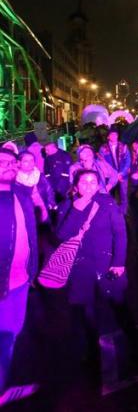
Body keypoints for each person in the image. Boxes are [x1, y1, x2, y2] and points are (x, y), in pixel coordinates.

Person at [55, 168, 138, 378]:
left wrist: (119, 262)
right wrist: (76, 209)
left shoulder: (108, 203)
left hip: (108, 265)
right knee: (87, 314)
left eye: (93, 182)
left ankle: (137, 343)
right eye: (84, 182)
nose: (89, 186)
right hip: (81, 269)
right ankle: (92, 352)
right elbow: (61, 235)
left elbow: (120, 233)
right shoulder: (68, 205)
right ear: (76, 186)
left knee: (120, 307)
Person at [0, 146, 39, 406]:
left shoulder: (21, 194)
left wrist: (32, 270)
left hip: (20, 282)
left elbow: (31, 234)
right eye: (3, 162)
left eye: (13, 163)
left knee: (10, 336)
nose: (10, 166)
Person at [98, 127, 131, 214]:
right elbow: (102, 163)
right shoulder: (103, 148)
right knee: (110, 194)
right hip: (110, 176)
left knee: (123, 194)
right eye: (112, 134)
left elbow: (128, 161)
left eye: (116, 134)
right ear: (108, 136)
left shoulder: (123, 146)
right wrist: (113, 175)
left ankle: (123, 213)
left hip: (122, 175)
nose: (114, 136)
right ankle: (111, 211)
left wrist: (122, 173)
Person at [43, 140, 73, 205]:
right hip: (53, 187)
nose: (46, 151)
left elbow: (67, 171)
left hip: (65, 187)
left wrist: (60, 187)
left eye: (47, 150)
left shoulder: (64, 155)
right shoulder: (47, 159)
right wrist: (50, 184)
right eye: (45, 150)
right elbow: (46, 172)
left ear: (54, 148)